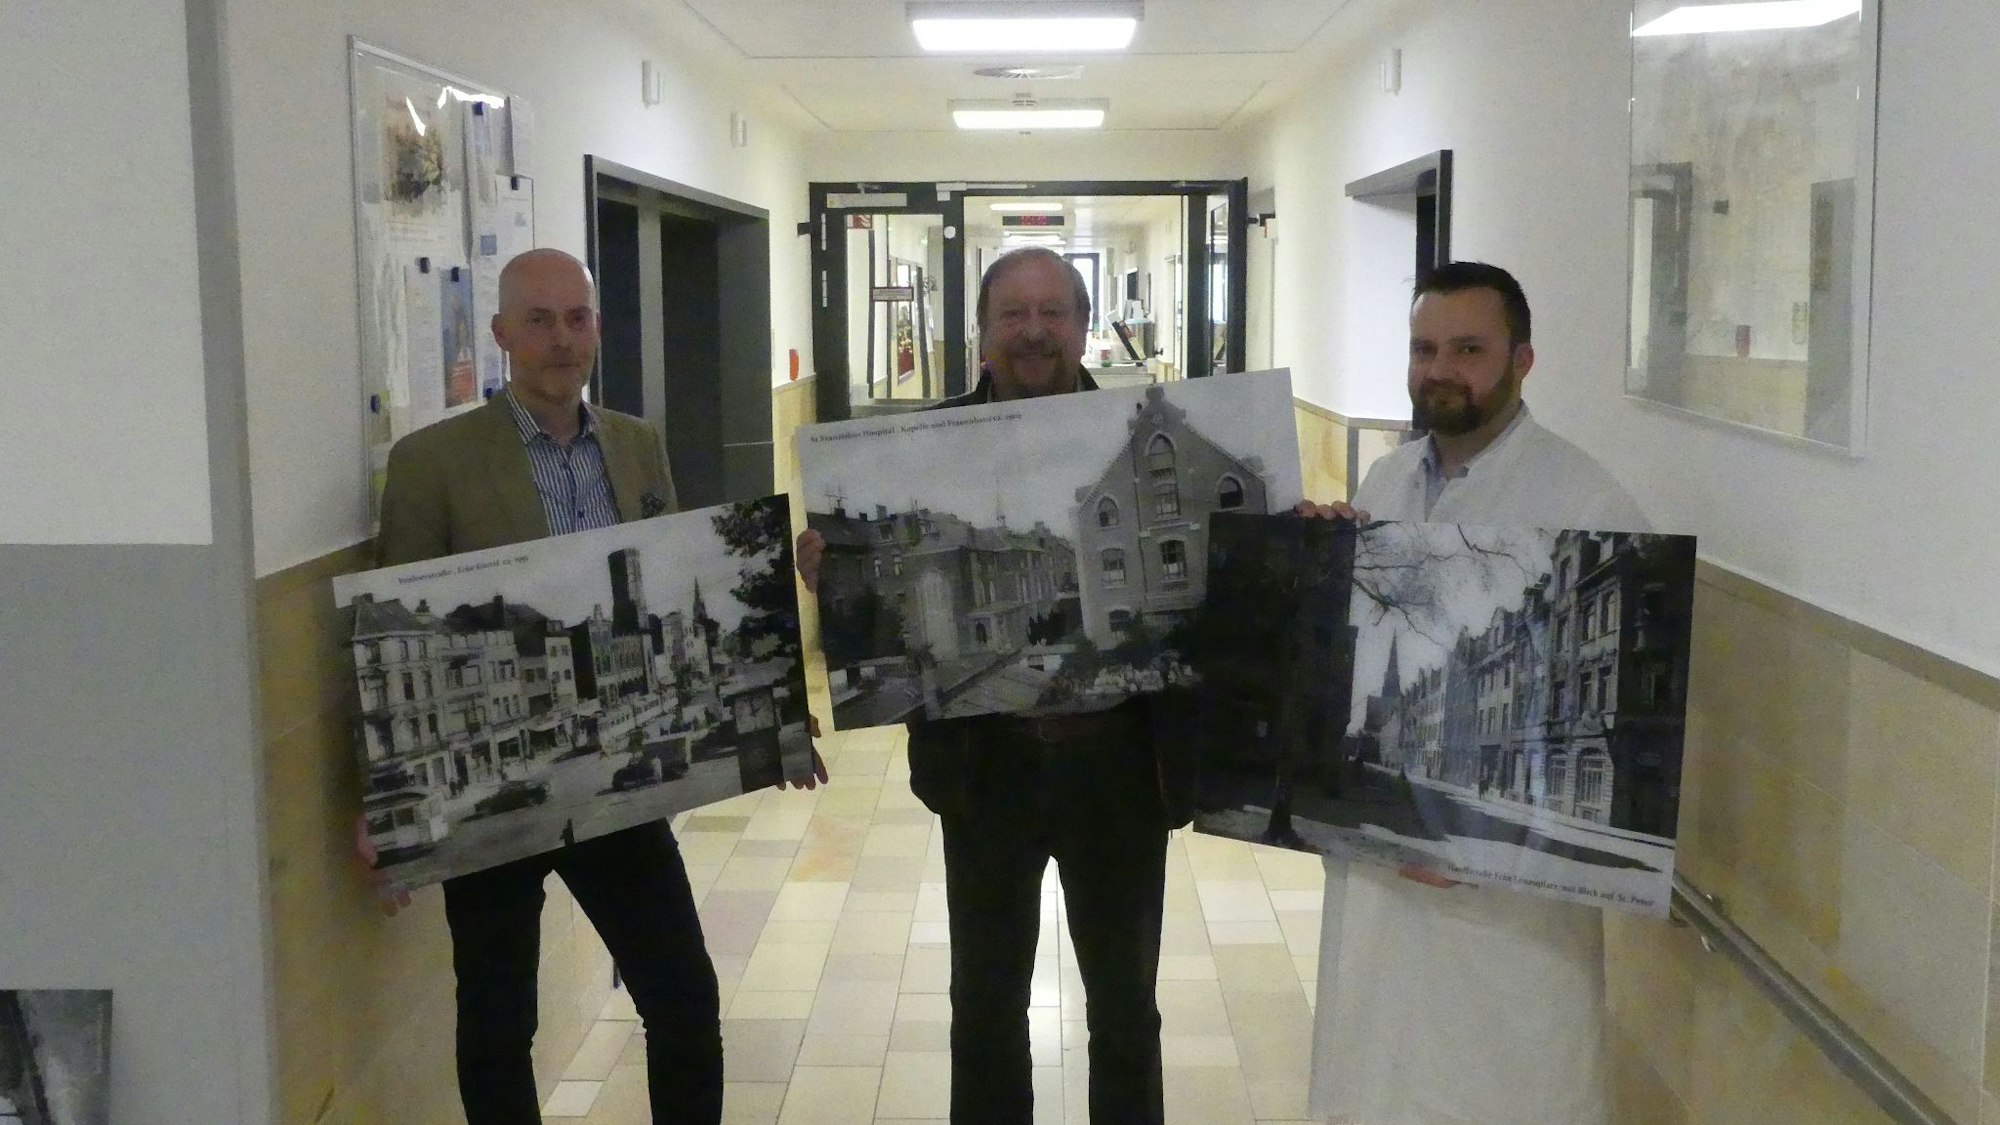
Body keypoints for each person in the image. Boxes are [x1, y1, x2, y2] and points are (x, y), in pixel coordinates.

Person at [355, 247, 824, 1125]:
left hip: (621, 781)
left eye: (576, 319)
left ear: (598, 330)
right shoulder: (433, 462)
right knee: (498, 1019)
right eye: (538, 320)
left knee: (682, 994)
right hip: (492, 796)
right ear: (500, 335)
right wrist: (387, 801)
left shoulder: (637, 444)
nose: (561, 340)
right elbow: (387, 634)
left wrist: (771, 721)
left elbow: (686, 591)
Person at [796, 247, 1190, 1124]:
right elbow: (878, 600)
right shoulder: (917, 448)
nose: (1034, 331)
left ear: (1084, 327)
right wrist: (838, 576)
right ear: (980, 334)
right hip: (986, 772)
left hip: (1121, 770)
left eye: (1053, 312)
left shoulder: (1147, 433)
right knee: (983, 1005)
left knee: (1126, 1007)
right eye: (1013, 314)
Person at [1299, 261, 1647, 1125]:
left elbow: (1608, 722)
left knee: (1507, 1083)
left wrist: (1487, 846)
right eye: (1423, 348)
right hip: (1386, 875)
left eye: (1467, 348)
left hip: (1509, 910)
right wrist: (1314, 565)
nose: (1439, 368)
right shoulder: (1387, 481)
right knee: (1378, 1073)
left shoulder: (1587, 499)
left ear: (1522, 360)